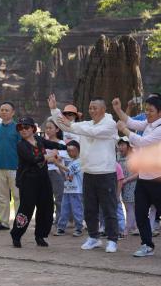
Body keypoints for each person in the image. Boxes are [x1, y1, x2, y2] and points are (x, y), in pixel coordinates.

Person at [55, 97, 119, 253]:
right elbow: (66, 126)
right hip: (88, 173)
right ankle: (93, 237)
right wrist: (54, 110)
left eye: (95, 108)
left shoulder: (110, 124)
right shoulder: (86, 124)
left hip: (106, 173)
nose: (92, 110)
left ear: (103, 109)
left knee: (109, 208)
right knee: (89, 209)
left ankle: (112, 240)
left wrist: (74, 126)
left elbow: (92, 132)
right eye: (90, 108)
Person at [113, 96, 161, 257]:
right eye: (146, 109)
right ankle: (147, 244)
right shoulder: (148, 123)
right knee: (140, 213)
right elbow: (132, 122)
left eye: (151, 111)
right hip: (143, 178)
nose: (147, 113)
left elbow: (143, 142)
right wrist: (119, 110)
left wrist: (125, 130)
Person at [10, 117, 65, 248]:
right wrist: (47, 157)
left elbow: (51, 144)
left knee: (46, 207)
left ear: (33, 129)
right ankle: (16, 235)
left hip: (43, 178)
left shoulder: (39, 140)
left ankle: (40, 236)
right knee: (26, 208)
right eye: (20, 128)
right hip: (28, 180)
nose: (23, 130)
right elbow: (32, 159)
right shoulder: (21, 145)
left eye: (26, 127)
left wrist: (65, 147)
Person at [0, 101, 21, 230]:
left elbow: (22, 148)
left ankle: (19, 222)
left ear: (13, 112)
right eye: (2, 110)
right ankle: (4, 222)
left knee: (18, 196)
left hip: (16, 168)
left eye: (7, 110)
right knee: (2, 196)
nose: (4, 112)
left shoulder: (18, 128)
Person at [53, 140, 84, 237]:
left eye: (72, 150)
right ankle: (61, 228)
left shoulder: (79, 162)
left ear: (78, 150)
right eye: (68, 151)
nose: (70, 153)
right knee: (64, 209)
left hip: (77, 190)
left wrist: (57, 164)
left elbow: (68, 170)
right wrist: (58, 166)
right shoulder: (71, 162)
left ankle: (79, 228)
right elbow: (65, 174)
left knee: (77, 209)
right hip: (67, 189)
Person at [43, 118, 67, 224]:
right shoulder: (43, 142)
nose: (48, 130)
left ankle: (60, 221)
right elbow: (42, 158)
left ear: (57, 129)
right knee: (46, 199)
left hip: (57, 173)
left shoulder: (61, 143)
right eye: (46, 128)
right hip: (44, 173)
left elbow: (59, 158)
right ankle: (48, 219)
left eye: (50, 128)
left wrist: (49, 158)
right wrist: (51, 157)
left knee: (59, 198)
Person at [117, 137, 137, 235]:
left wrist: (127, 180)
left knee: (130, 207)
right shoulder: (119, 157)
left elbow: (138, 173)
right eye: (119, 145)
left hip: (132, 184)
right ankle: (134, 227)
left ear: (128, 146)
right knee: (129, 207)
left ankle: (128, 228)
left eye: (123, 145)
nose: (120, 147)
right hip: (123, 185)